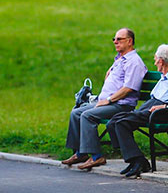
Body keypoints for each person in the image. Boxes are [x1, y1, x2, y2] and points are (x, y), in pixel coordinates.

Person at [62, 28, 147, 170]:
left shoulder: (134, 62)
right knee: (76, 112)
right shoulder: (120, 60)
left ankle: (96, 156)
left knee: (87, 115)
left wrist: (108, 100)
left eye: (119, 39)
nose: (115, 42)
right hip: (108, 102)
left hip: (121, 105)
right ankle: (80, 152)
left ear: (129, 41)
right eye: (114, 39)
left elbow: (129, 88)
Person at [106, 44, 168, 178]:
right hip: (151, 107)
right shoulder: (165, 75)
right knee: (113, 121)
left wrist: (163, 107)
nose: (154, 62)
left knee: (122, 123)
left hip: (160, 112)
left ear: (161, 61)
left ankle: (139, 161)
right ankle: (134, 159)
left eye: (155, 59)